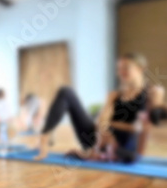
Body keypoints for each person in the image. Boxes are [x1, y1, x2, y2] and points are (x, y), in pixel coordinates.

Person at [35, 53, 165, 163]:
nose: (121, 72)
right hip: (99, 140)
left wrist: (112, 125)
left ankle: (98, 153)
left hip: (125, 147)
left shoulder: (153, 92)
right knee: (66, 91)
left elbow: (149, 123)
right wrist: (107, 127)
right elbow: (101, 123)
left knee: (127, 140)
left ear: (141, 68)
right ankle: (46, 135)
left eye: (126, 67)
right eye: (119, 69)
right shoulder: (115, 95)